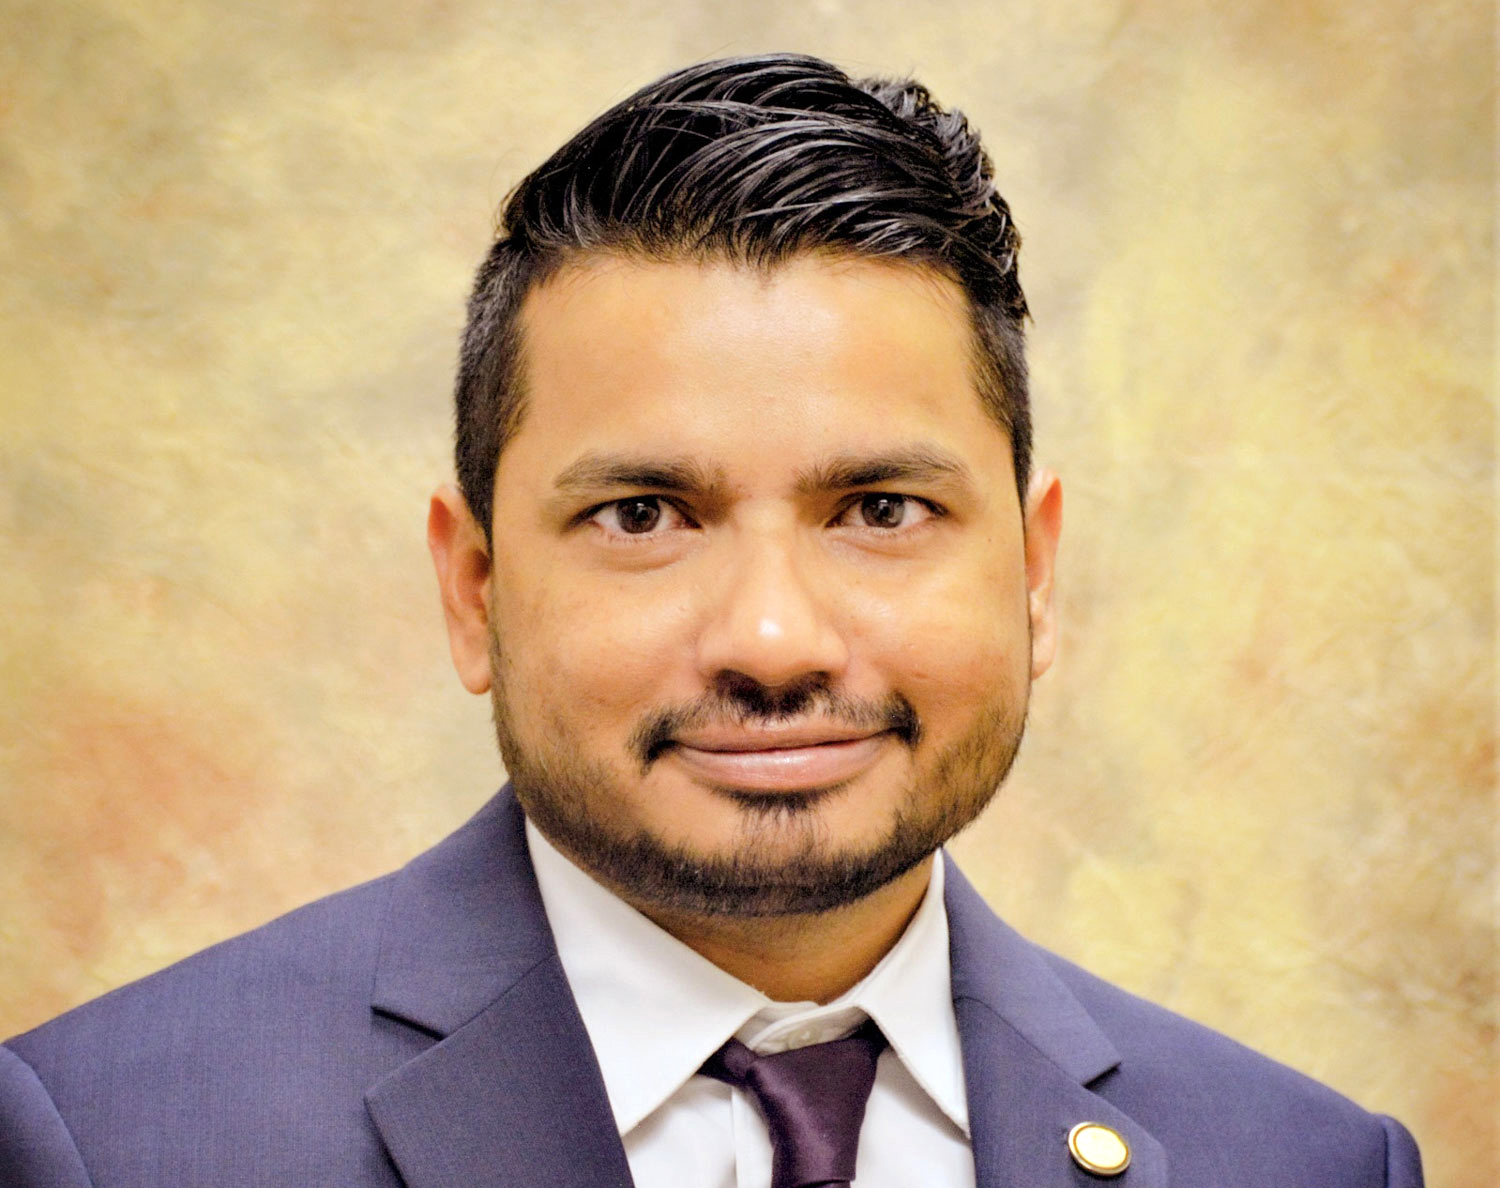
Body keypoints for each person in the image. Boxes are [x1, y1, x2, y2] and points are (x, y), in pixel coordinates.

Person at [0, 52, 1422, 1188]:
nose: (773, 641)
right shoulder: (101, 1143)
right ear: (474, 589)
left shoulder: (1305, 1163)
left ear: (1036, 576)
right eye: (643, 516)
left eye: (879, 509)